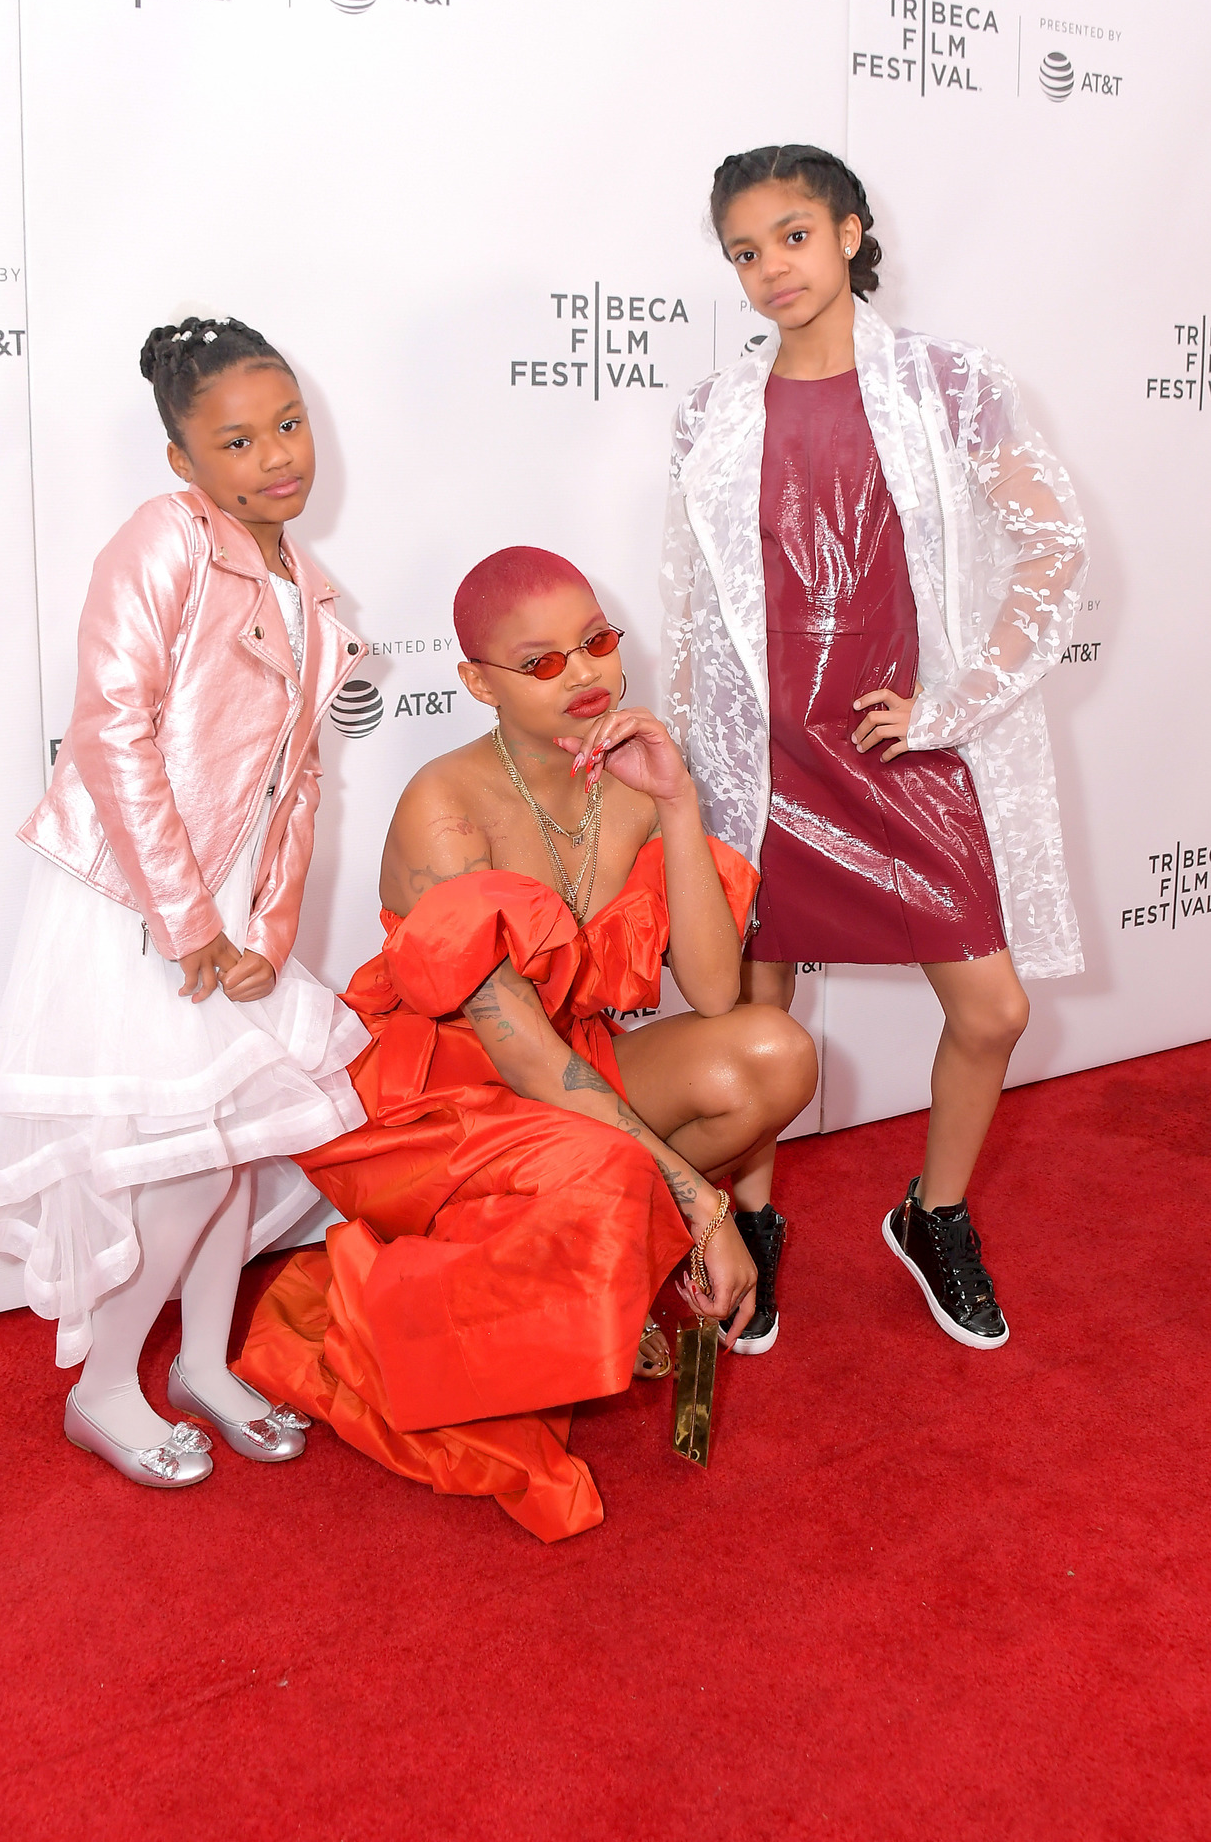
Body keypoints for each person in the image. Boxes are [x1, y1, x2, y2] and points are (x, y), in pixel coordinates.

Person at [241, 547, 817, 1540]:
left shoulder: (631, 780)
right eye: (544, 662)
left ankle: (602, 1260)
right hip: (433, 1100)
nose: (586, 674)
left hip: (572, 1069)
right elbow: (519, 1059)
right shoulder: (446, 804)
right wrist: (702, 1204)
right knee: (601, 1159)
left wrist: (677, 801)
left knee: (772, 1054)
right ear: (478, 682)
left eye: (596, 642)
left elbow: (716, 991)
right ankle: (393, 1313)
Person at [662, 143, 1087, 1352]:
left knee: (992, 1007)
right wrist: (700, 767)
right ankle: (752, 1221)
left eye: (792, 235)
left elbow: (1053, 553)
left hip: (903, 753)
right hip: (770, 766)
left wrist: (953, 701)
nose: (769, 268)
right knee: (757, 1018)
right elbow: (699, 604)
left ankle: (932, 1210)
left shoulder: (949, 386)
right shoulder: (711, 412)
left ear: (850, 230)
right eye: (743, 251)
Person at [0, 315, 370, 1488]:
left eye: (289, 424)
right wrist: (189, 920)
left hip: (231, 905)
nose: (276, 455)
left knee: (233, 1150)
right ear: (184, 461)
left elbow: (301, 776)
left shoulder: (305, 578)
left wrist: (270, 927)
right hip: (137, 894)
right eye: (236, 440)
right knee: (184, 1160)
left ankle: (203, 1366)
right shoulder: (163, 539)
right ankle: (105, 1387)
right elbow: (112, 729)